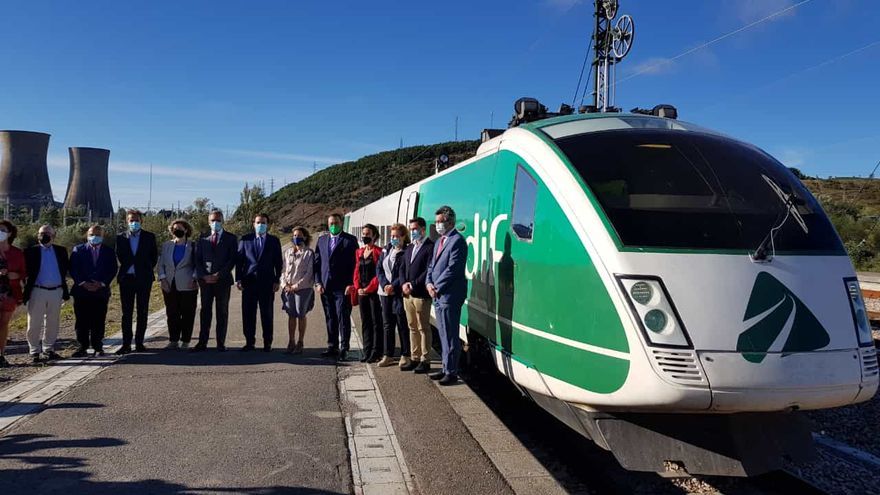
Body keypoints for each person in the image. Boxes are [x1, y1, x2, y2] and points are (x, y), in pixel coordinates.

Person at [426, 206, 468, 386]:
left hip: (449, 295)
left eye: (440, 222)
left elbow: (453, 269)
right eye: (436, 222)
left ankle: (451, 372)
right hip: (437, 294)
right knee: (442, 334)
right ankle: (445, 367)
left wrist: (437, 286)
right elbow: (431, 266)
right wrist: (428, 283)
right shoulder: (439, 241)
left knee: (450, 335)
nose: (437, 225)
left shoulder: (457, 241)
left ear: (450, 222)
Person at [314, 213, 358, 360]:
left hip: (343, 287)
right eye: (331, 223)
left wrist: (351, 284)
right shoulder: (321, 240)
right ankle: (332, 346)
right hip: (326, 287)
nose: (333, 225)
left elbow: (355, 264)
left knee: (343, 317)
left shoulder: (350, 240)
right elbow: (317, 263)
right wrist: (318, 282)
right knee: (330, 317)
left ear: (341, 223)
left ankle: (344, 347)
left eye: (336, 223)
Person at [70, 225, 118, 358]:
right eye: (92, 234)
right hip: (82, 291)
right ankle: (82, 346)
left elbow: (112, 269)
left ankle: (98, 346)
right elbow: (73, 268)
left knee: (98, 319)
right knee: (81, 320)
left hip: (100, 291)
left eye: (98, 234)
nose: (94, 237)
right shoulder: (78, 250)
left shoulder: (109, 251)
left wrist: (101, 283)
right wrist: (83, 283)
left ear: (102, 236)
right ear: (87, 235)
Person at [236, 213, 282, 352]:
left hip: (267, 283)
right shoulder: (245, 240)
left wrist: (277, 279)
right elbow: (239, 261)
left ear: (267, 225)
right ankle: (250, 342)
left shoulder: (274, 241)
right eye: (258, 222)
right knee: (248, 313)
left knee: (266, 313)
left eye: (263, 223)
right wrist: (238, 279)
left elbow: (278, 262)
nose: (260, 225)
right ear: (253, 224)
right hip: (248, 282)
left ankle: (267, 342)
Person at [193, 210, 238, 352]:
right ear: (208, 222)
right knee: (205, 311)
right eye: (212, 220)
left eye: (218, 220)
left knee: (222, 312)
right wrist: (204, 276)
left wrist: (219, 274)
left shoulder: (231, 238)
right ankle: (202, 342)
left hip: (223, 281)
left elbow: (232, 260)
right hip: (205, 282)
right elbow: (197, 259)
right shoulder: (202, 238)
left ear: (222, 221)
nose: (215, 223)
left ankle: (220, 342)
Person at [23, 225, 70, 363]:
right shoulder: (30, 251)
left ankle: (48, 349)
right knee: (34, 323)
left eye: (47, 233)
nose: (44, 235)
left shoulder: (61, 251)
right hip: (38, 290)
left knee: (53, 322)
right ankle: (34, 351)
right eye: (41, 233)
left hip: (56, 291)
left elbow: (65, 269)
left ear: (53, 235)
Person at [115, 209, 158, 354]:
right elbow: (120, 256)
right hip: (127, 278)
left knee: (142, 311)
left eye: (136, 220)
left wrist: (143, 269)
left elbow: (153, 257)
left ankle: (139, 342)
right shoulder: (120, 238)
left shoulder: (149, 237)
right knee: (126, 313)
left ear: (141, 221)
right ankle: (126, 343)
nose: (134, 223)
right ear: (127, 222)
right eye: (131, 220)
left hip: (143, 278)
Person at [399, 217, 435, 374]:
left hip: (420, 294)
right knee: (412, 327)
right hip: (407, 295)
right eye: (411, 229)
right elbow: (402, 268)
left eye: (415, 229)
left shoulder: (430, 247)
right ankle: (414, 357)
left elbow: (428, 270)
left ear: (423, 229)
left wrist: (413, 284)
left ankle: (425, 360)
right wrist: (403, 284)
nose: (412, 232)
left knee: (423, 328)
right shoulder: (409, 248)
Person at [157, 219, 199, 349]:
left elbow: (198, 264)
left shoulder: (193, 246)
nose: (177, 231)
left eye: (180, 228)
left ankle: (185, 340)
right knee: (172, 313)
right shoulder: (167, 245)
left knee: (187, 313)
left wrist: (194, 278)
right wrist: (163, 279)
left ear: (186, 230)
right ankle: (173, 340)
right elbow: (161, 264)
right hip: (169, 284)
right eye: (175, 229)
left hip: (188, 284)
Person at [375, 223, 411, 368]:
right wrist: (384, 285)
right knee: (387, 324)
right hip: (384, 292)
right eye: (392, 236)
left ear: (403, 236)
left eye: (396, 236)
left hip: (398, 293)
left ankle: (405, 354)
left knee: (402, 323)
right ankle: (388, 355)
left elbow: (405, 272)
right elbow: (379, 268)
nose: (394, 239)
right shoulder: (387, 248)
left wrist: (393, 286)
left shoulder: (407, 251)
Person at [352, 224, 383, 363]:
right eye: (363, 233)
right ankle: (367, 350)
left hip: (374, 292)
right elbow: (356, 271)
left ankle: (376, 351)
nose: (365, 236)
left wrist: (368, 288)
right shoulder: (359, 252)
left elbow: (379, 274)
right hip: (361, 292)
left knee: (376, 321)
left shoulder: (379, 252)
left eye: (368, 233)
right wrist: (358, 287)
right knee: (365, 322)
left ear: (374, 235)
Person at [281, 226, 315, 354]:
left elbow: (309, 274)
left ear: (305, 237)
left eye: (299, 235)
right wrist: (284, 284)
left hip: (302, 289)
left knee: (301, 314)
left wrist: (296, 286)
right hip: (288, 289)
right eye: (295, 235)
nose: (296, 238)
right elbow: (283, 270)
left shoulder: (308, 253)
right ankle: (291, 341)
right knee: (291, 315)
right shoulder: (288, 252)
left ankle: (300, 342)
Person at [0, 220, 25, 367]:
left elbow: (23, 272)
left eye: (3, 230)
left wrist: (14, 275)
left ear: (9, 233)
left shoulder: (16, 253)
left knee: (3, 323)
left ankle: (1, 354)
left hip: (10, 292)